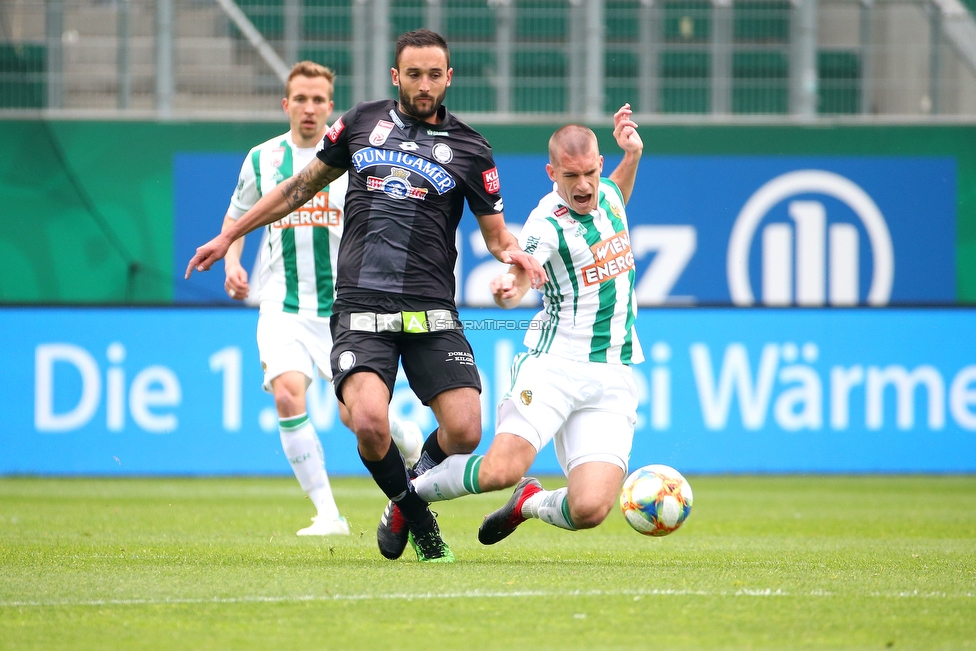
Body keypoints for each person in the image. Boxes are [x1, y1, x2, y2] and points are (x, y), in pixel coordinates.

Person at [186, 30, 546, 562]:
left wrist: (513, 254)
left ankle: (400, 502)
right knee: (371, 424)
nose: (424, 85)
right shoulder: (359, 123)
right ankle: (418, 517)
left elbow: (496, 235)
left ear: (449, 78)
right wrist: (230, 235)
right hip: (360, 304)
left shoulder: (472, 148)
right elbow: (297, 188)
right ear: (396, 76)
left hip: (431, 309)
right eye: (413, 74)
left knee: (467, 429)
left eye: (434, 75)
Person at [409, 104, 644, 544]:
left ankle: (529, 503)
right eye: (570, 176)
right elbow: (525, 266)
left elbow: (618, 194)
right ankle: (406, 495)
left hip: (613, 373)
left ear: (600, 165)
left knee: (589, 509)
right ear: (551, 173)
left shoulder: (608, 193)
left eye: (590, 172)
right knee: (501, 470)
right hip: (555, 366)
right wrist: (510, 288)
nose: (583, 185)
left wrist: (631, 157)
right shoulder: (546, 222)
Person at [218, 60, 424, 537]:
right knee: (288, 394)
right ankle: (328, 514)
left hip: (344, 310)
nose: (309, 109)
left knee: (361, 421)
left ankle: (410, 444)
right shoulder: (261, 159)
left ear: (331, 108)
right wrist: (232, 262)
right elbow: (236, 220)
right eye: (301, 99)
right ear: (285, 104)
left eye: (318, 101)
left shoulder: (355, 157)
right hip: (282, 306)